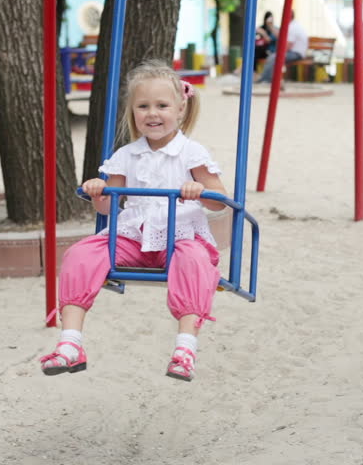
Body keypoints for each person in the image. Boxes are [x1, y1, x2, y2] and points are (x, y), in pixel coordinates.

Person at [38, 59, 227, 382]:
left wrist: (199, 189)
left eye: (162, 105)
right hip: (133, 239)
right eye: (143, 106)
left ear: (180, 109)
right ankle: (70, 343)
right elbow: (107, 210)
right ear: (133, 112)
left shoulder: (191, 153)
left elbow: (219, 199)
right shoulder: (125, 155)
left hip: (180, 238)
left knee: (196, 262)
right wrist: (99, 193)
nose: (152, 113)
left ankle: (185, 348)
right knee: (80, 254)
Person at [255, 10, 308, 83]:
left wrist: (277, 53)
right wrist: (271, 26)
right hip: (296, 52)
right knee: (273, 56)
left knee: (273, 57)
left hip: (296, 53)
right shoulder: (293, 25)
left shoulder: (292, 27)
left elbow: (288, 45)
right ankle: (267, 79)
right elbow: (281, 36)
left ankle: (266, 79)